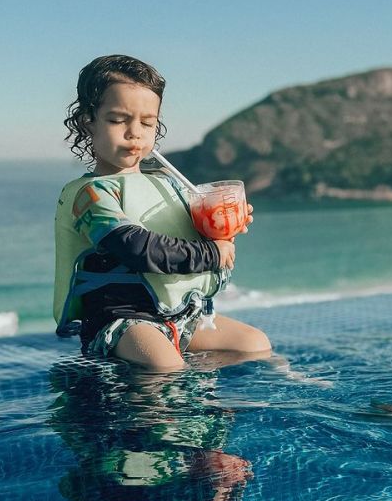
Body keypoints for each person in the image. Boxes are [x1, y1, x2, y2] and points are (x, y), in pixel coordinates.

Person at [54, 55, 271, 371]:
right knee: (166, 367)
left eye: (147, 122)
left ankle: (299, 387)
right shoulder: (91, 195)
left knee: (255, 344)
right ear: (88, 120)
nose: (135, 133)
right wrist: (212, 253)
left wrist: (223, 227)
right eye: (118, 120)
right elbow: (136, 247)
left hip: (181, 316)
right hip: (123, 319)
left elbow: (189, 235)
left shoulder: (168, 184)